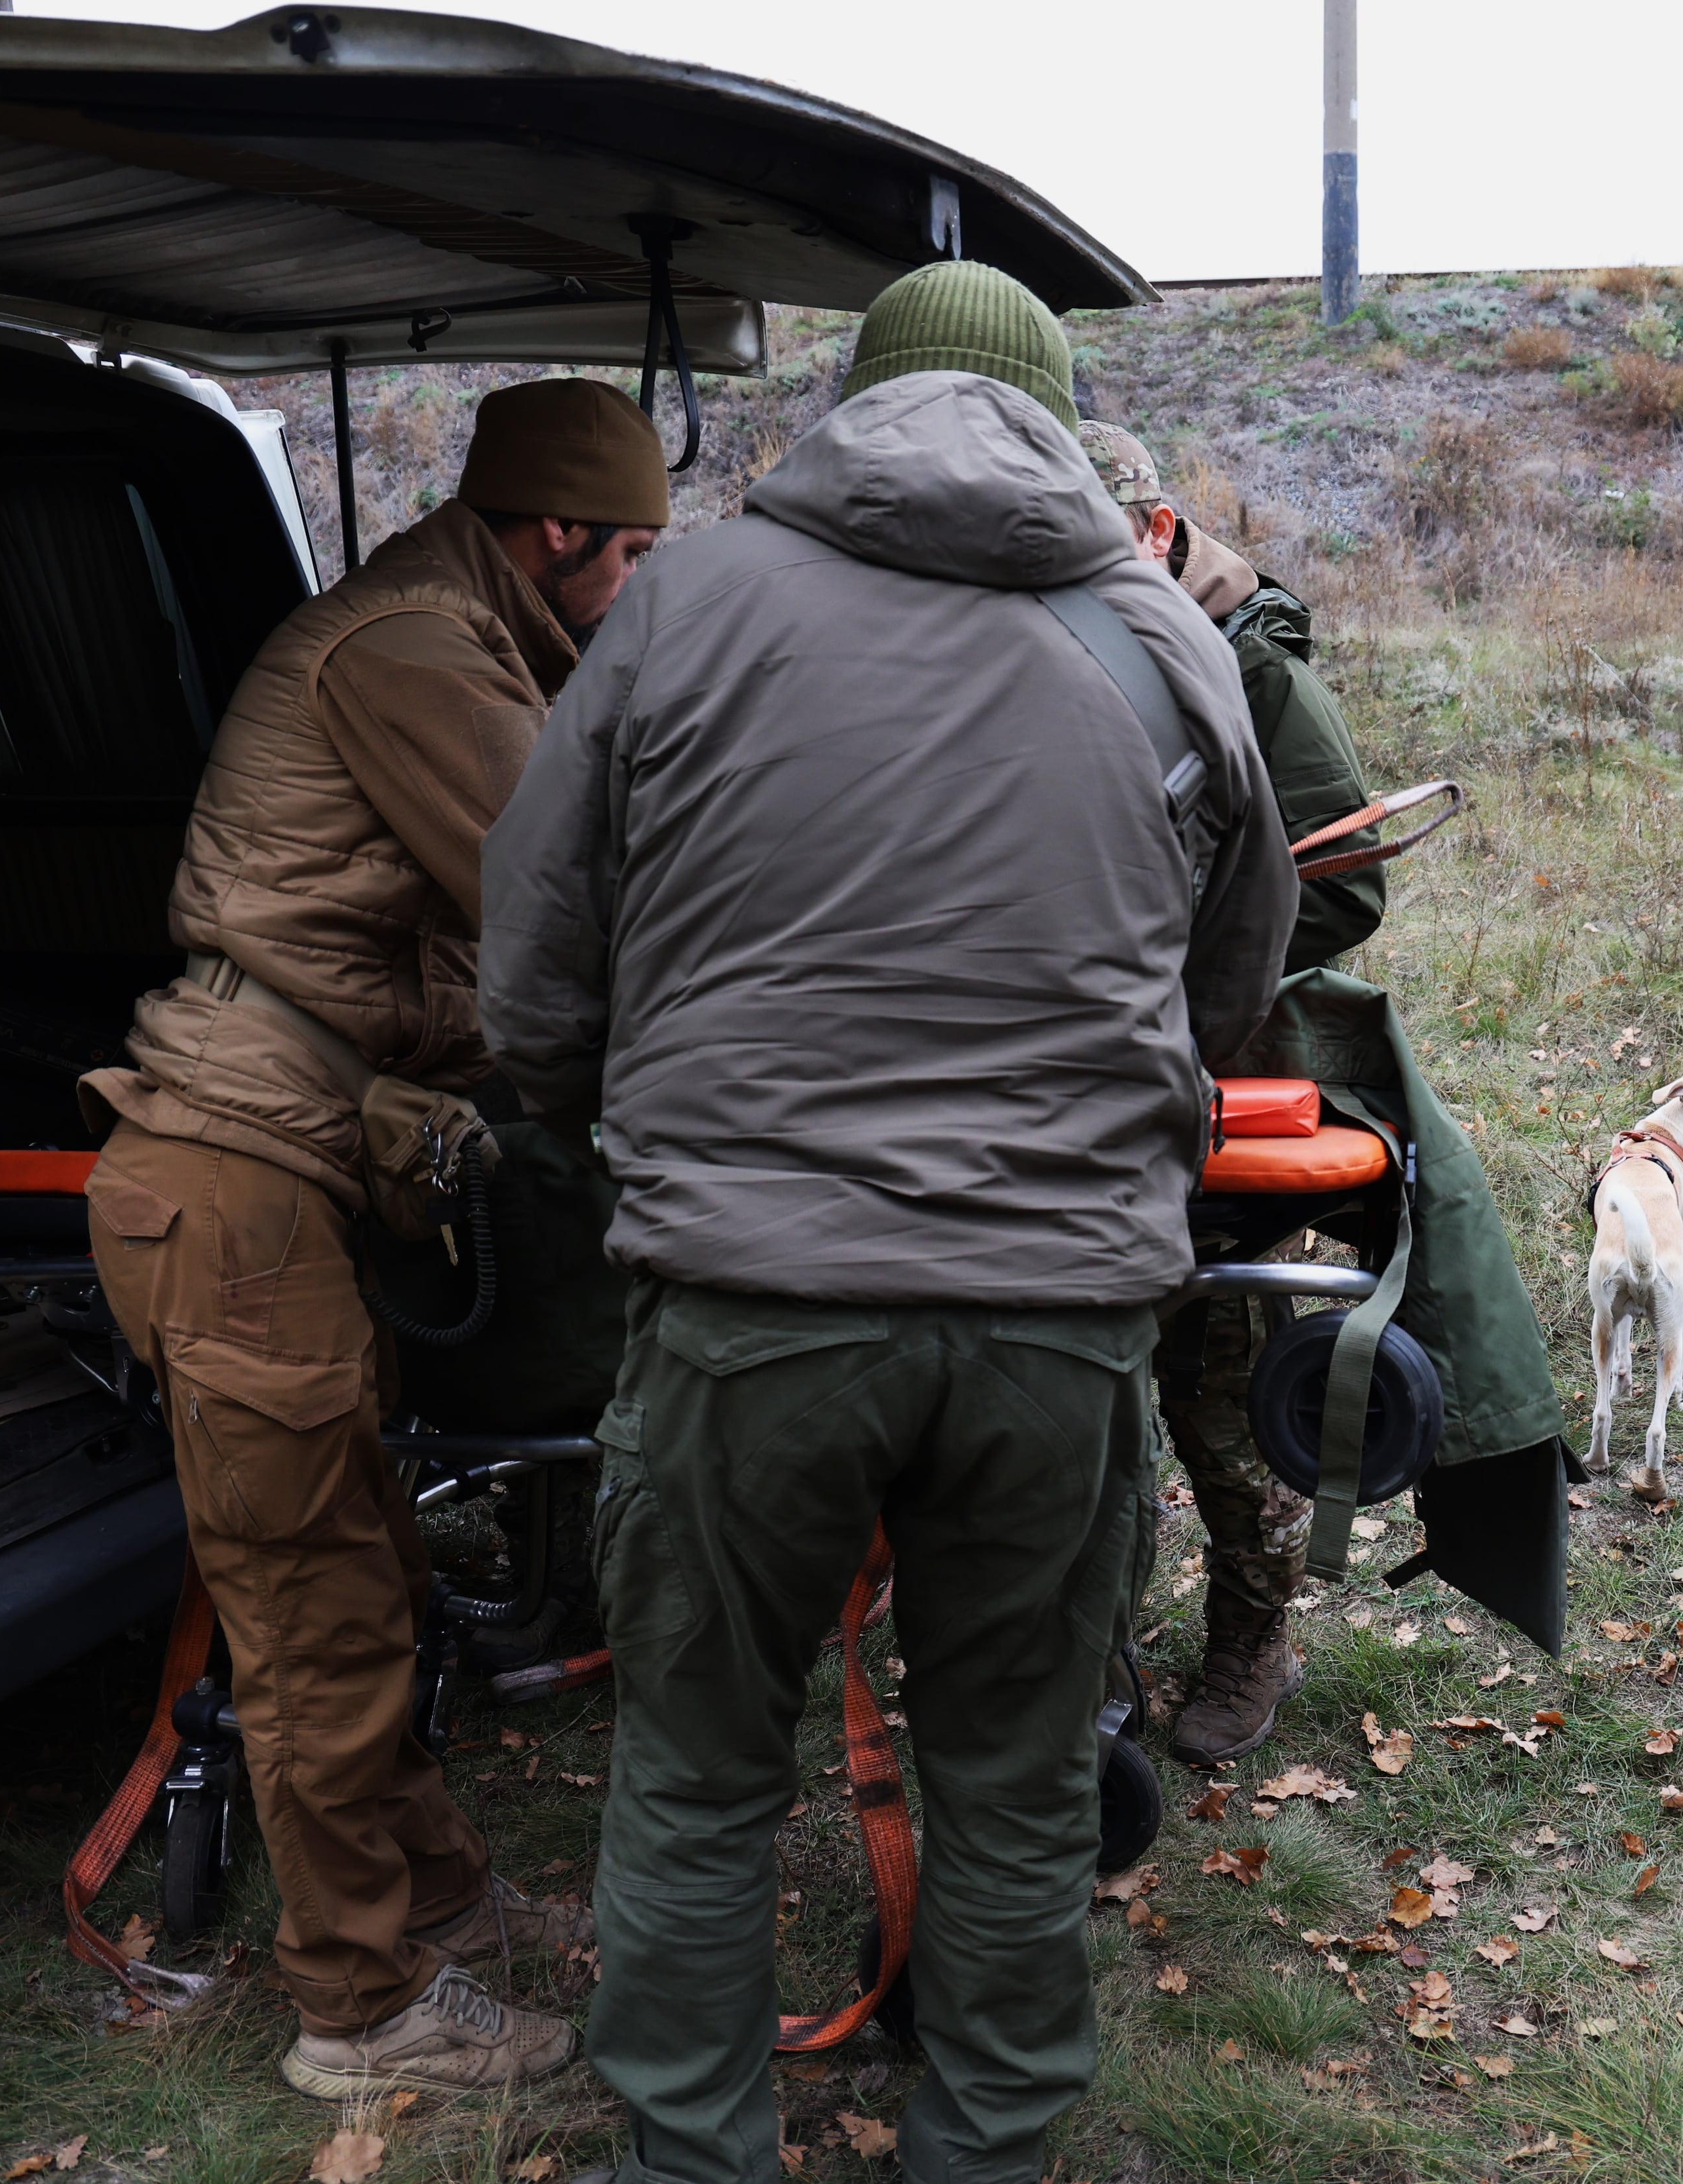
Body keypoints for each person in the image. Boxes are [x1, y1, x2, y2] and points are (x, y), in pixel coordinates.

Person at [478, 262, 1294, 2184]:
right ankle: (983, 2151)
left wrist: (630, 1134)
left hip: (751, 1303)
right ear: (1053, 406)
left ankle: (690, 2158)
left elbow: (533, 970)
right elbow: (1239, 980)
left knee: (694, 1770)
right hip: (1056, 1315)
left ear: (858, 397)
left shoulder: (681, 604)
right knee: (1011, 1779)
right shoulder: (1165, 640)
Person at [79, 377, 666, 2098]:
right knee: (320, 1609)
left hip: (292, 1172)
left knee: (372, 1574)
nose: (637, 582)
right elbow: (571, 903)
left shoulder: (473, 641)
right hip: (235, 1180)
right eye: (630, 549)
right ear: (555, 531)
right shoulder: (407, 652)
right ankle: (360, 2005)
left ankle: (444, 1907)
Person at [1072, 419, 1381, 1766]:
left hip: (1225, 1085)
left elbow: (1348, 882)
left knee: (1219, 1395)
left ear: (1150, 532)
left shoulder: (1249, 668)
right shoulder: (1070, 648)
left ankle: (1252, 1633)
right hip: (1083, 1093)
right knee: (1086, 1402)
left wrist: (1189, 963)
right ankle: (1090, 1655)